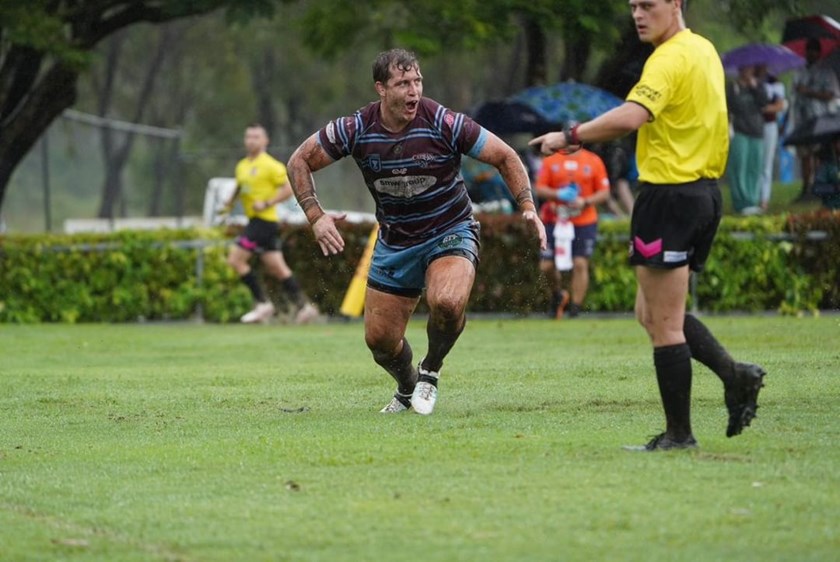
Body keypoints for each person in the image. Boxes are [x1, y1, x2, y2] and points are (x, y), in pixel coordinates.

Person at [530, 0, 766, 451]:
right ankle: (736, 376)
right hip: (703, 193)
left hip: (670, 196)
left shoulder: (668, 58)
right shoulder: (704, 49)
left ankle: (680, 435)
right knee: (652, 314)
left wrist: (570, 136)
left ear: (675, 4)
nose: (638, 14)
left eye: (649, 5)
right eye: (633, 6)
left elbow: (632, 116)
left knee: (663, 323)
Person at [286, 49, 546, 415]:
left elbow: (506, 156)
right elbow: (299, 160)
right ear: (380, 88)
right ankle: (408, 386)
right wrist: (315, 215)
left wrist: (528, 208)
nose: (414, 91)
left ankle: (431, 371)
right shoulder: (356, 128)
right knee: (380, 343)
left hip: (450, 230)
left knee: (448, 302)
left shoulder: (444, 122)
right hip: (396, 241)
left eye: (417, 81)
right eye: (403, 83)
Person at [224, 123, 319, 324]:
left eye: (256, 137)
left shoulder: (271, 165)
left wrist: (267, 202)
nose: (251, 140)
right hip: (256, 222)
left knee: (235, 260)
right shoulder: (242, 165)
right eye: (248, 136)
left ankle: (262, 304)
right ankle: (304, 307)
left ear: (265, 141)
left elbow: (289, 188)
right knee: (278, 268)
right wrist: (229, 203)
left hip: (263, 223)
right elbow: (240, 187)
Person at [535, 147, 610, 318]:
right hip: (555, 220)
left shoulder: (593, 160)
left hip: (584, 221)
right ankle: (557, 295)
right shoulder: (551, 160)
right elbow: (539, 188)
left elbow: (604, 192)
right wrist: (557, 195)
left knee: (580, 263)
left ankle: (575, 308)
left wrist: (585, 201)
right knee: (546, 265)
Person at [791, 38, 840, 201]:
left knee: (819, 154)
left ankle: (820, 187)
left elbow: (831, 94)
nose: (810, 54)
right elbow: (795, 91)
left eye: (813, 50)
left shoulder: (826, 71)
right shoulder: (800, 71)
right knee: (805, 154)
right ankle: (806, 188)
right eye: (808, 50)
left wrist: (809, 92)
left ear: (819, 53)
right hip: (803, 118)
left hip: (821, 119)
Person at [726, 65, 768, 215]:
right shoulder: (733, 87)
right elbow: (731, 106)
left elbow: (764, 102)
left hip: (756, 131)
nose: (748, 71)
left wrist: (754, 87)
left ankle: (752, 200)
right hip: (740, 130)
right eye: (745, 69)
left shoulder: (758, 85)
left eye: (750, 69)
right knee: (739, 167)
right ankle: (741, 202)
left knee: (754, 167)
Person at [756, 65, 787, 211]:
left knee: (766, 164)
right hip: (754, 127)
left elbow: (779, 105)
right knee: (755, 162)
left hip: (769, 125)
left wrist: (764, 109)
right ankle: (753, 196)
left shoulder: (776, 86)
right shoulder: (754, 84)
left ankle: (764, 199)